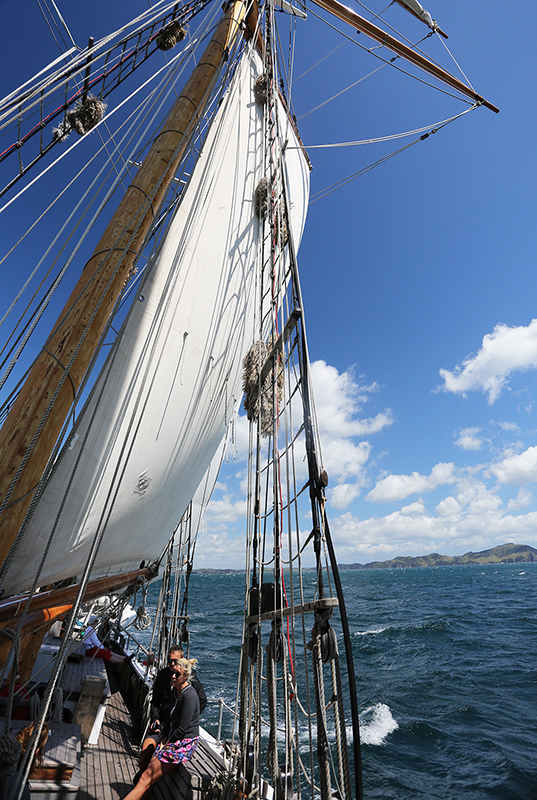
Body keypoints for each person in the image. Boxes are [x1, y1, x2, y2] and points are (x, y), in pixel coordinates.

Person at [124, 658, 200, 800]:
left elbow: (182, 730)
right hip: (172, 736)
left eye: (177, 674)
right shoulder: (175, 691)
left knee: (146, 776)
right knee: (146, 776)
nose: (173, 676)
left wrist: (165, 744)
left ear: (185, 677)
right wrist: (163, 738)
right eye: (173, 673)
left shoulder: (189, 696)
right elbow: (169, 720)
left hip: (184, 742)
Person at [136, 645, 206, 776]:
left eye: (176, 661)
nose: (172, 665)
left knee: (157, 757)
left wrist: (188, 718)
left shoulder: (191, 680)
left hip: (178, 729)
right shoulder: (162, 676)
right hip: (163, 725)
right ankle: (141, 776)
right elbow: (155, 701)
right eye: (170, 661)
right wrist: (155, 718)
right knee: (146, 750)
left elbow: (202, 700)